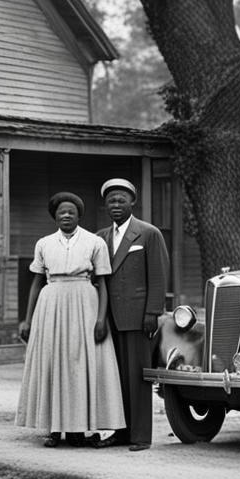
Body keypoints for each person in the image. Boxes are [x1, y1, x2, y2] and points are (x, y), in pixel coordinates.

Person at [16, 192, 126, 448]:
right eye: (61, 212)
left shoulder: (93, 242)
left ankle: (79, 429)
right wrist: (27, 318)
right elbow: (36, 283)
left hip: (83, 302)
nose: (66, 215)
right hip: (50, 303)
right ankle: (55, 429)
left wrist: (101, 319)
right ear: (55, 216)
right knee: (53, 362)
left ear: (79, 216)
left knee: (79, 365)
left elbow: (103, 284)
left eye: (71, 212)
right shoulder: (44, 243)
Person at [96, 178, 170, 451]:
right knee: (115, 378)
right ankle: (120, 431)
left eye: (121, 200)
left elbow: (159, 275)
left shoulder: (148, 233)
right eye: (111, 201)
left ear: (133, 202)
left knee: (137, 378)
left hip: (138, 316)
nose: (116, 205)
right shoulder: (101, 236)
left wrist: (153, 312)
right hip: (109, 317)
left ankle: (140, 435)